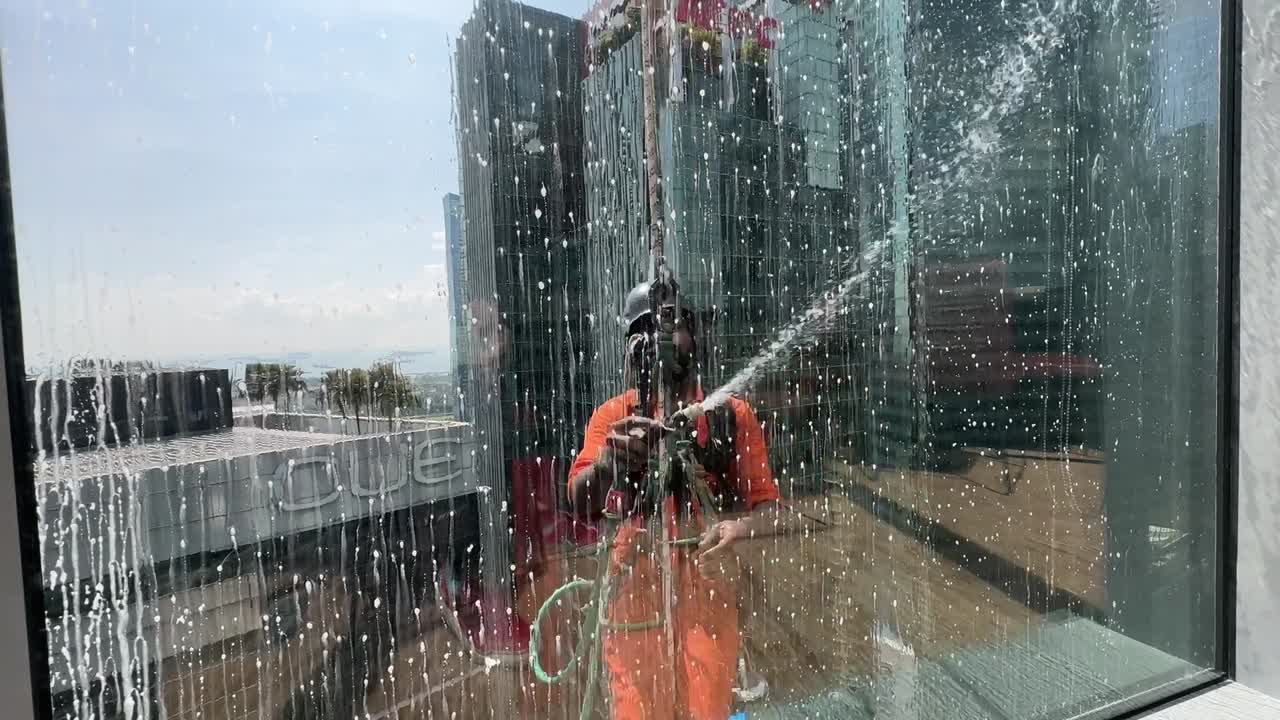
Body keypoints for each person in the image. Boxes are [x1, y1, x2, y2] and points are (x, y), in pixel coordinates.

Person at [567, 279, 780, 720]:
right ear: (631, 346)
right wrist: (609, 462)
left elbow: (770, 511)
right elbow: (577, 497)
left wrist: (738, 528)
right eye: (647, 328)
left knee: (707, 709)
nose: (663, 338)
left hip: (710, 600)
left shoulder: (728, 416)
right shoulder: (613, 418)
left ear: (695, 335)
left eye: (674, 324)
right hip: (632, 599)